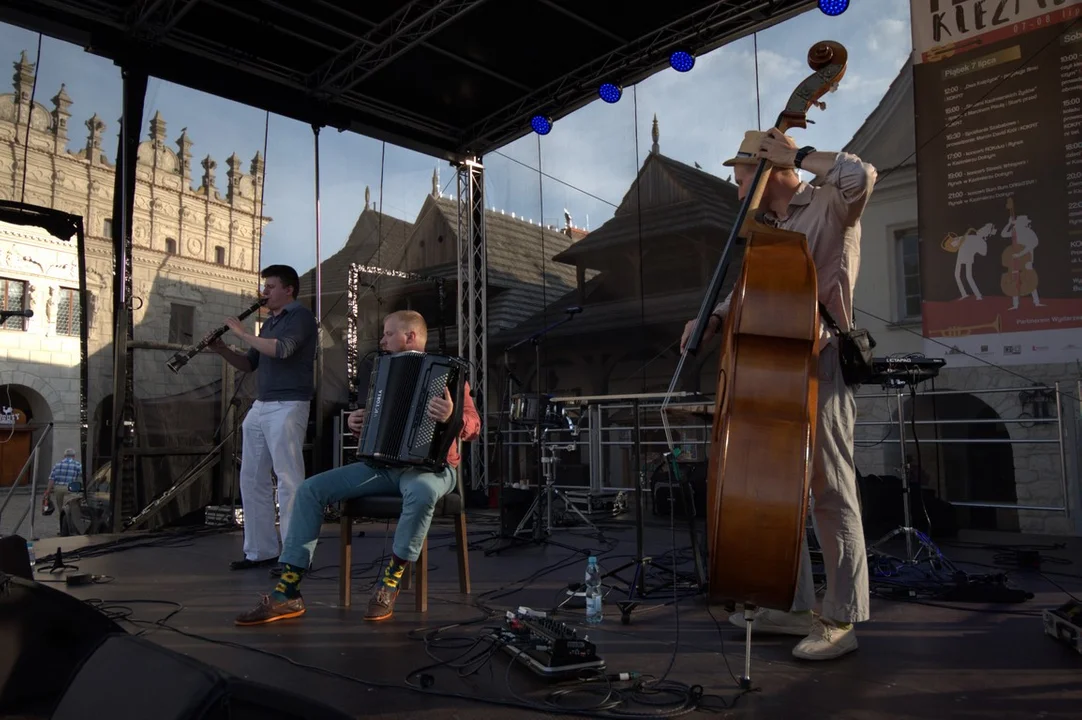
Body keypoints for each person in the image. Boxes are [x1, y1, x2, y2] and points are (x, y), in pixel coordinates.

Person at [680, 129, 876, 661]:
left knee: (831, 494)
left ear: (769, 172)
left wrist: (799, 157)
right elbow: (751, 285)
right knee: (783, 492)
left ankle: (842, 617)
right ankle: (792, 608)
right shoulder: (770, 227)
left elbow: (863, 174)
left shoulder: (830, 204)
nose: (737, 191)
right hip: (778, 366)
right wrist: (716, 315)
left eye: (741, 180)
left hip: (823, 364)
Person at [234, 310, 481, 626]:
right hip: (382, 465)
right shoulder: (381, 371)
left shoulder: (449, 375)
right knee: (310, 489)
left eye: (388, 333)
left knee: (420, 492)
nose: (381, 340)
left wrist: (453, 416)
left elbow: (475, 426)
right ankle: (289, 590)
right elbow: (375, 420)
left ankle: (388, 583)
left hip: (432, 470)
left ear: (410, 336)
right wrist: (355, 422)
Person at [210, 264, 317, 574]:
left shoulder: (301, 317)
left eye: (270, 287)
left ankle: (296, 556)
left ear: (289, 290)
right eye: (264, 287)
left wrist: (243, 332)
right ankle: (260, 551)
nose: (264, 292)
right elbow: (248, 364)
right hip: (262, 404)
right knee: (251, 477)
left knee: (288, 479)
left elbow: (283, 351)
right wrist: (222, 349)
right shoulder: (269, 323)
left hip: (289, 403)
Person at [42, 448, 82, 526]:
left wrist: (48, 491)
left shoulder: (57, 465)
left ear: (64, 456)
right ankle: (71, 526)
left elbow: (52, 479)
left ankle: (61, 527)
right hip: (71, 488)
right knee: (71, 509)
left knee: (61, 509)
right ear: (74, 456)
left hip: (58, 489)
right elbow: (83, 477)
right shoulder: (77, 465)